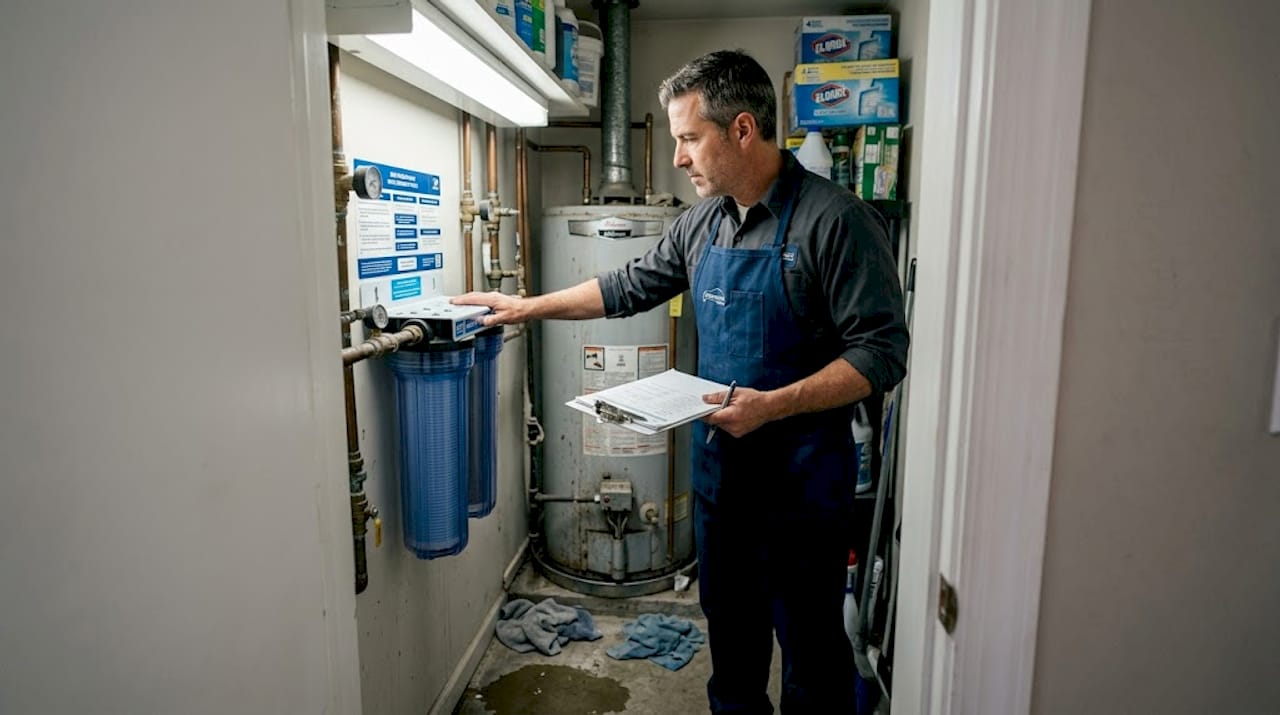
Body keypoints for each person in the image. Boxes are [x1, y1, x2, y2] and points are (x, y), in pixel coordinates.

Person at [454, 49, 908, 714]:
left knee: (811, 666)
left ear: (743, 130)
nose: (677, 158)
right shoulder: (702, 222)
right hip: (723, 486)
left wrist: (774, 405)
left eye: (689, 139)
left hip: (803, 494)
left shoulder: (834, 221)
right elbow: (626, 285)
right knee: (733, 662)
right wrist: (525, 307)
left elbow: (882, 351)